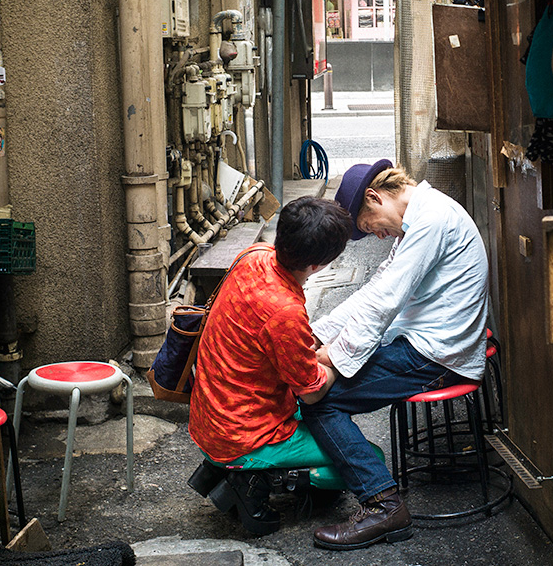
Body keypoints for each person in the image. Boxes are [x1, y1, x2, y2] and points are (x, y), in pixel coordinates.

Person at [301, 160, 489, 550]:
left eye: (371, 226)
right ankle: (345, 482)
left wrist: (334, 360)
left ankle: (383, 506)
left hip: (439, 355)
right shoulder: (420, 216)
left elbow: (385, 303)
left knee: (321, 401)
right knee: (318, 382)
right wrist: (313, 334)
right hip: (427, 342)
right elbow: (374, 291)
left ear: (375, 197)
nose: (380, 235)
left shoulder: (431, 220)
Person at [187, 196, 352, 535]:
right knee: (363, 460)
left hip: (209, 418)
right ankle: (252, 480)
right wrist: (336, 357)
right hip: (244, 435)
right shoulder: (285, 311)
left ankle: (225, 470)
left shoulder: (253, 255)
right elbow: (311, 392)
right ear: (319, 264)